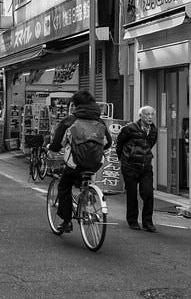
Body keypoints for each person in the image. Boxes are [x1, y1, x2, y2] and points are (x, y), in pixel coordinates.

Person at [48, 90, 112, 233]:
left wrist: (51, 148)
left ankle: (66, 221)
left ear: (75, 104)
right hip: (96, 163)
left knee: (64, 186)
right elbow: (108, 142)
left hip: (75, 163)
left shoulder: (70, 120)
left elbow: (57, 143)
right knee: (86, 180)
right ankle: (88, 204)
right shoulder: (99, 121)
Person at [116, 105, 159, 232]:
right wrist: (124, 158)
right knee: (132, 194)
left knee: (148, 193)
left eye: (152, 114)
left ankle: (148, 222)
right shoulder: (129, 129)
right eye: (147, 114)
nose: (150, 117)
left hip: (146, 166)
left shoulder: (154, 130)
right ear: (140, 116)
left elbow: (150, 145)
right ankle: (132, 221)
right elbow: (119, 144)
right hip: (129, 166)